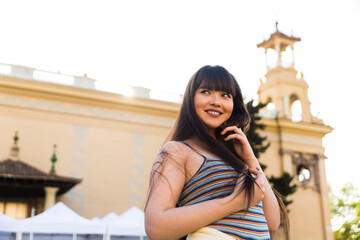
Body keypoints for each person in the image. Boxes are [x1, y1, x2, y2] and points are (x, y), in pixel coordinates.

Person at [145, 65, 288, 240]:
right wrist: (234, 202)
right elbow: (155, 226)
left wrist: (250, 158)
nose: (216, 101)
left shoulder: (237, 160)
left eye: (225, 95)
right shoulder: (178, 151)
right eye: (205, 92)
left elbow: (272, 221)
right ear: (190, 98)